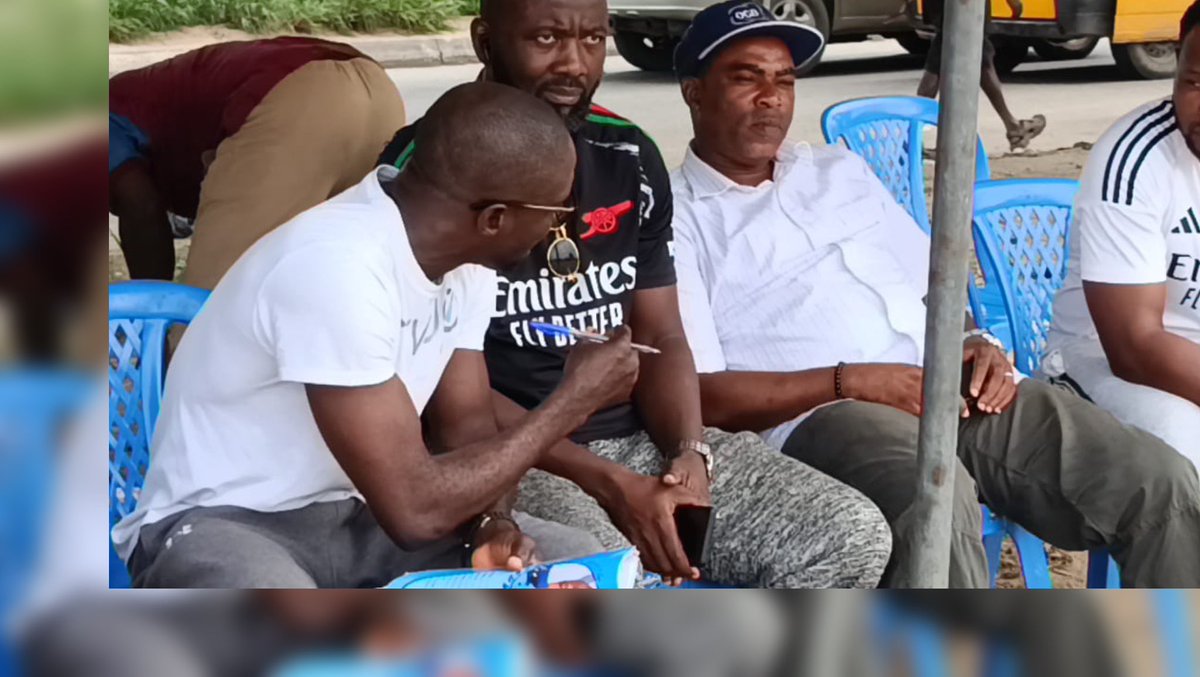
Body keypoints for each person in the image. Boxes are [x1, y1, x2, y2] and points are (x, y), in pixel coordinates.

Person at [669, 1, 1200, 588]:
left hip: (945, 383)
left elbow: (936, 284)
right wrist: (853, 380)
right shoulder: (675, 217)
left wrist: (975, 340)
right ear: (694, 91)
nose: (771, 97)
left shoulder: (837, 169)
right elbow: (701, 394)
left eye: (784, 80)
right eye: (746, 77)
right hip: (826, 413)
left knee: (1158, 484)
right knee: (936, 507)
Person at [378, 0, 892, 588]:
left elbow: (662, 332)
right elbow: (444, 383)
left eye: (593, 39)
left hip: (639, 439)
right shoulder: (427, 168)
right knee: (600, 573)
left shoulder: (630, 156)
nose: (574, 64)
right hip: (516, 457)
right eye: (546, 38)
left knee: (850, 534)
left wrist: (690, 453)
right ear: (485, 41)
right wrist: (606, 481)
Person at [112, 83, 633, 588]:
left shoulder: (467, 265)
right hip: (225, 523)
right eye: (555, 212)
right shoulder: (337, 265)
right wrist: (572, 402)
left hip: (355, 519)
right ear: (494, 218)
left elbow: (468, 431)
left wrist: (490, 525)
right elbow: (414, 510)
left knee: (576, 563)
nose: (561, 227)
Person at [108, 37, 406, 288]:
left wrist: (149, 307)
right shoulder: (146, 93)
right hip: (378, 91)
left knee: (203, 310)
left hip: (298, 97)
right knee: (319, 284)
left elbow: (141, 205)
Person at [1044, 2, 1200, 471]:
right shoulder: (1134, 159)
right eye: (1195, 83)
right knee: (1185, 449)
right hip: (1101, 361)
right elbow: (1134, 346)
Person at [914, 0, 1045, 151]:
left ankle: (916, 136)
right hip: (966, 9)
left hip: (948, 10)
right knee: (978, 61)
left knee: (968, 63)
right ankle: (1013, 127)